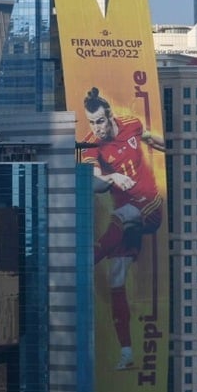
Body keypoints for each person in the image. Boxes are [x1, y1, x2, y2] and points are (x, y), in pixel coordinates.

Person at [80, 87, 165, 371]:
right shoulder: (92, 144)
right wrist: (111, 175)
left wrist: (176, 146)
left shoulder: (131, 124)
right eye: (91, 122)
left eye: (100, 121)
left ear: (110, 116)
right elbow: (92, 172)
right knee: (116, 279)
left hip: (150, 207)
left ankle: (80, 264)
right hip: (125, 221)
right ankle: (127, 353)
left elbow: (148, 137)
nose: (97, 128)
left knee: (125, 212)